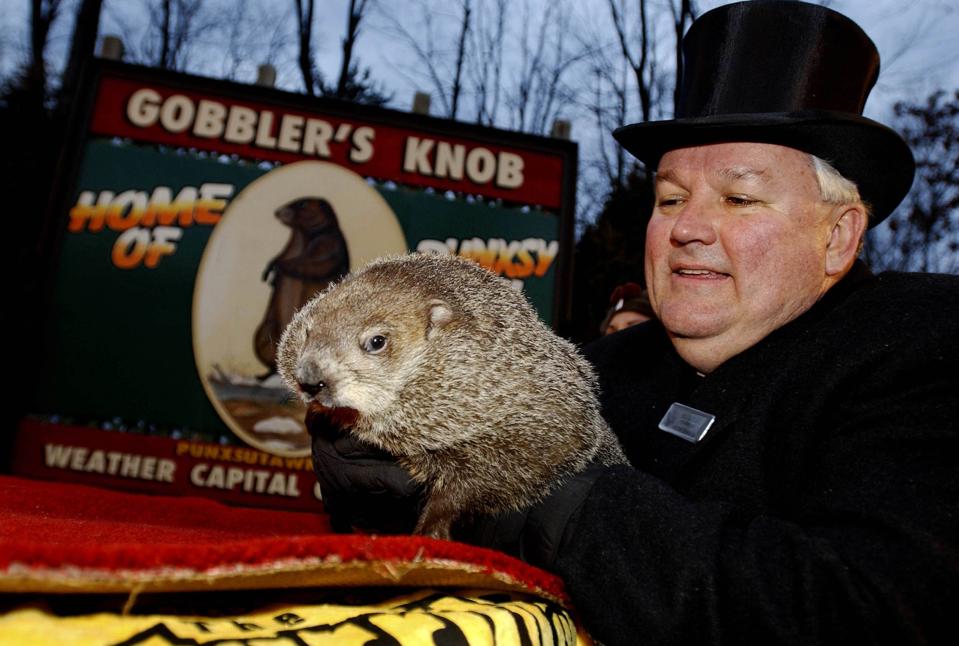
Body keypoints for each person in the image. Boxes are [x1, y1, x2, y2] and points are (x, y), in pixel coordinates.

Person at [306, 2, 959, 643]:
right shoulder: (600, 370)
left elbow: (863, 606)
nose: (686, 227)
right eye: (670, 197)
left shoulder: (920, 345)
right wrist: (381, 477)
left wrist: (553, 504)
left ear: (837, 236)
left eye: (738, 198)